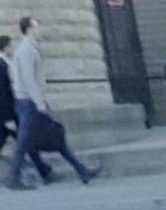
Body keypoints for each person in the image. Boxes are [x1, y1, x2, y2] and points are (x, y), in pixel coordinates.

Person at [7, 15, 100, 188]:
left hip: (29, 100)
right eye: (37, 27)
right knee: (25, 141)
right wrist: (39, 101)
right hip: (29, 102)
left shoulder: (28, 49)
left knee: (54, 136)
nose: (40, 30)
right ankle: (13, 178)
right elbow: (29, 78)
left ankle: (82, 171)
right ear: (29, 30)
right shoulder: (27, 50)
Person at [0, 33, 52, 188]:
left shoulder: (4, 63)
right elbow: (0, 96)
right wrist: (7, 119)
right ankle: (37, 172)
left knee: (10, 142)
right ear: (6, 47)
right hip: (4, 115)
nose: (13, 48)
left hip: (5, 114)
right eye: (11, 46)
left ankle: (43, 170)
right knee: (21, 141)